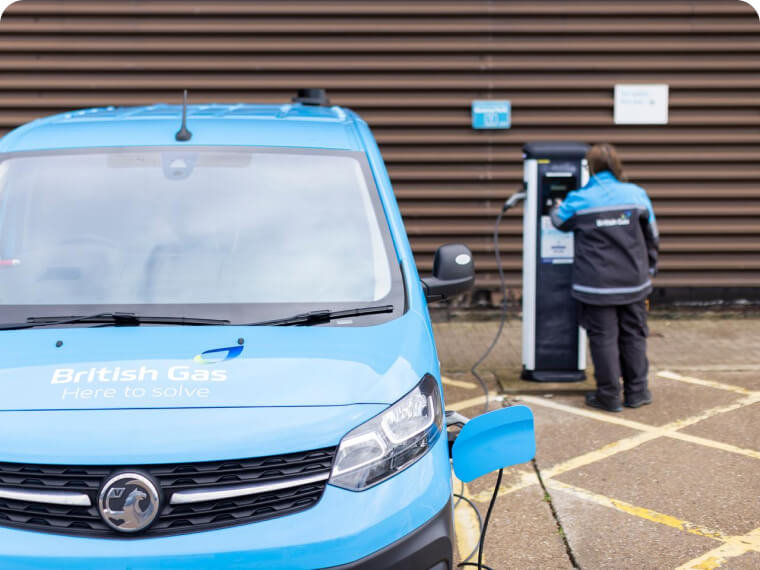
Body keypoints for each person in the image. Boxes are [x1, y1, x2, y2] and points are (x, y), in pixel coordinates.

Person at [550, 143, 659, 412]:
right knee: (634, 335)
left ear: (590, 168)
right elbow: (652, 237)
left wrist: (556, 204)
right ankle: (637, 392)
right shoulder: (637, 195)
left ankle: (609, 397)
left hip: (596, 286)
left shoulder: (579, 199)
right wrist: (649, 270)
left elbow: (557, 221)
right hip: (635, 282)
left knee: (603, 339)